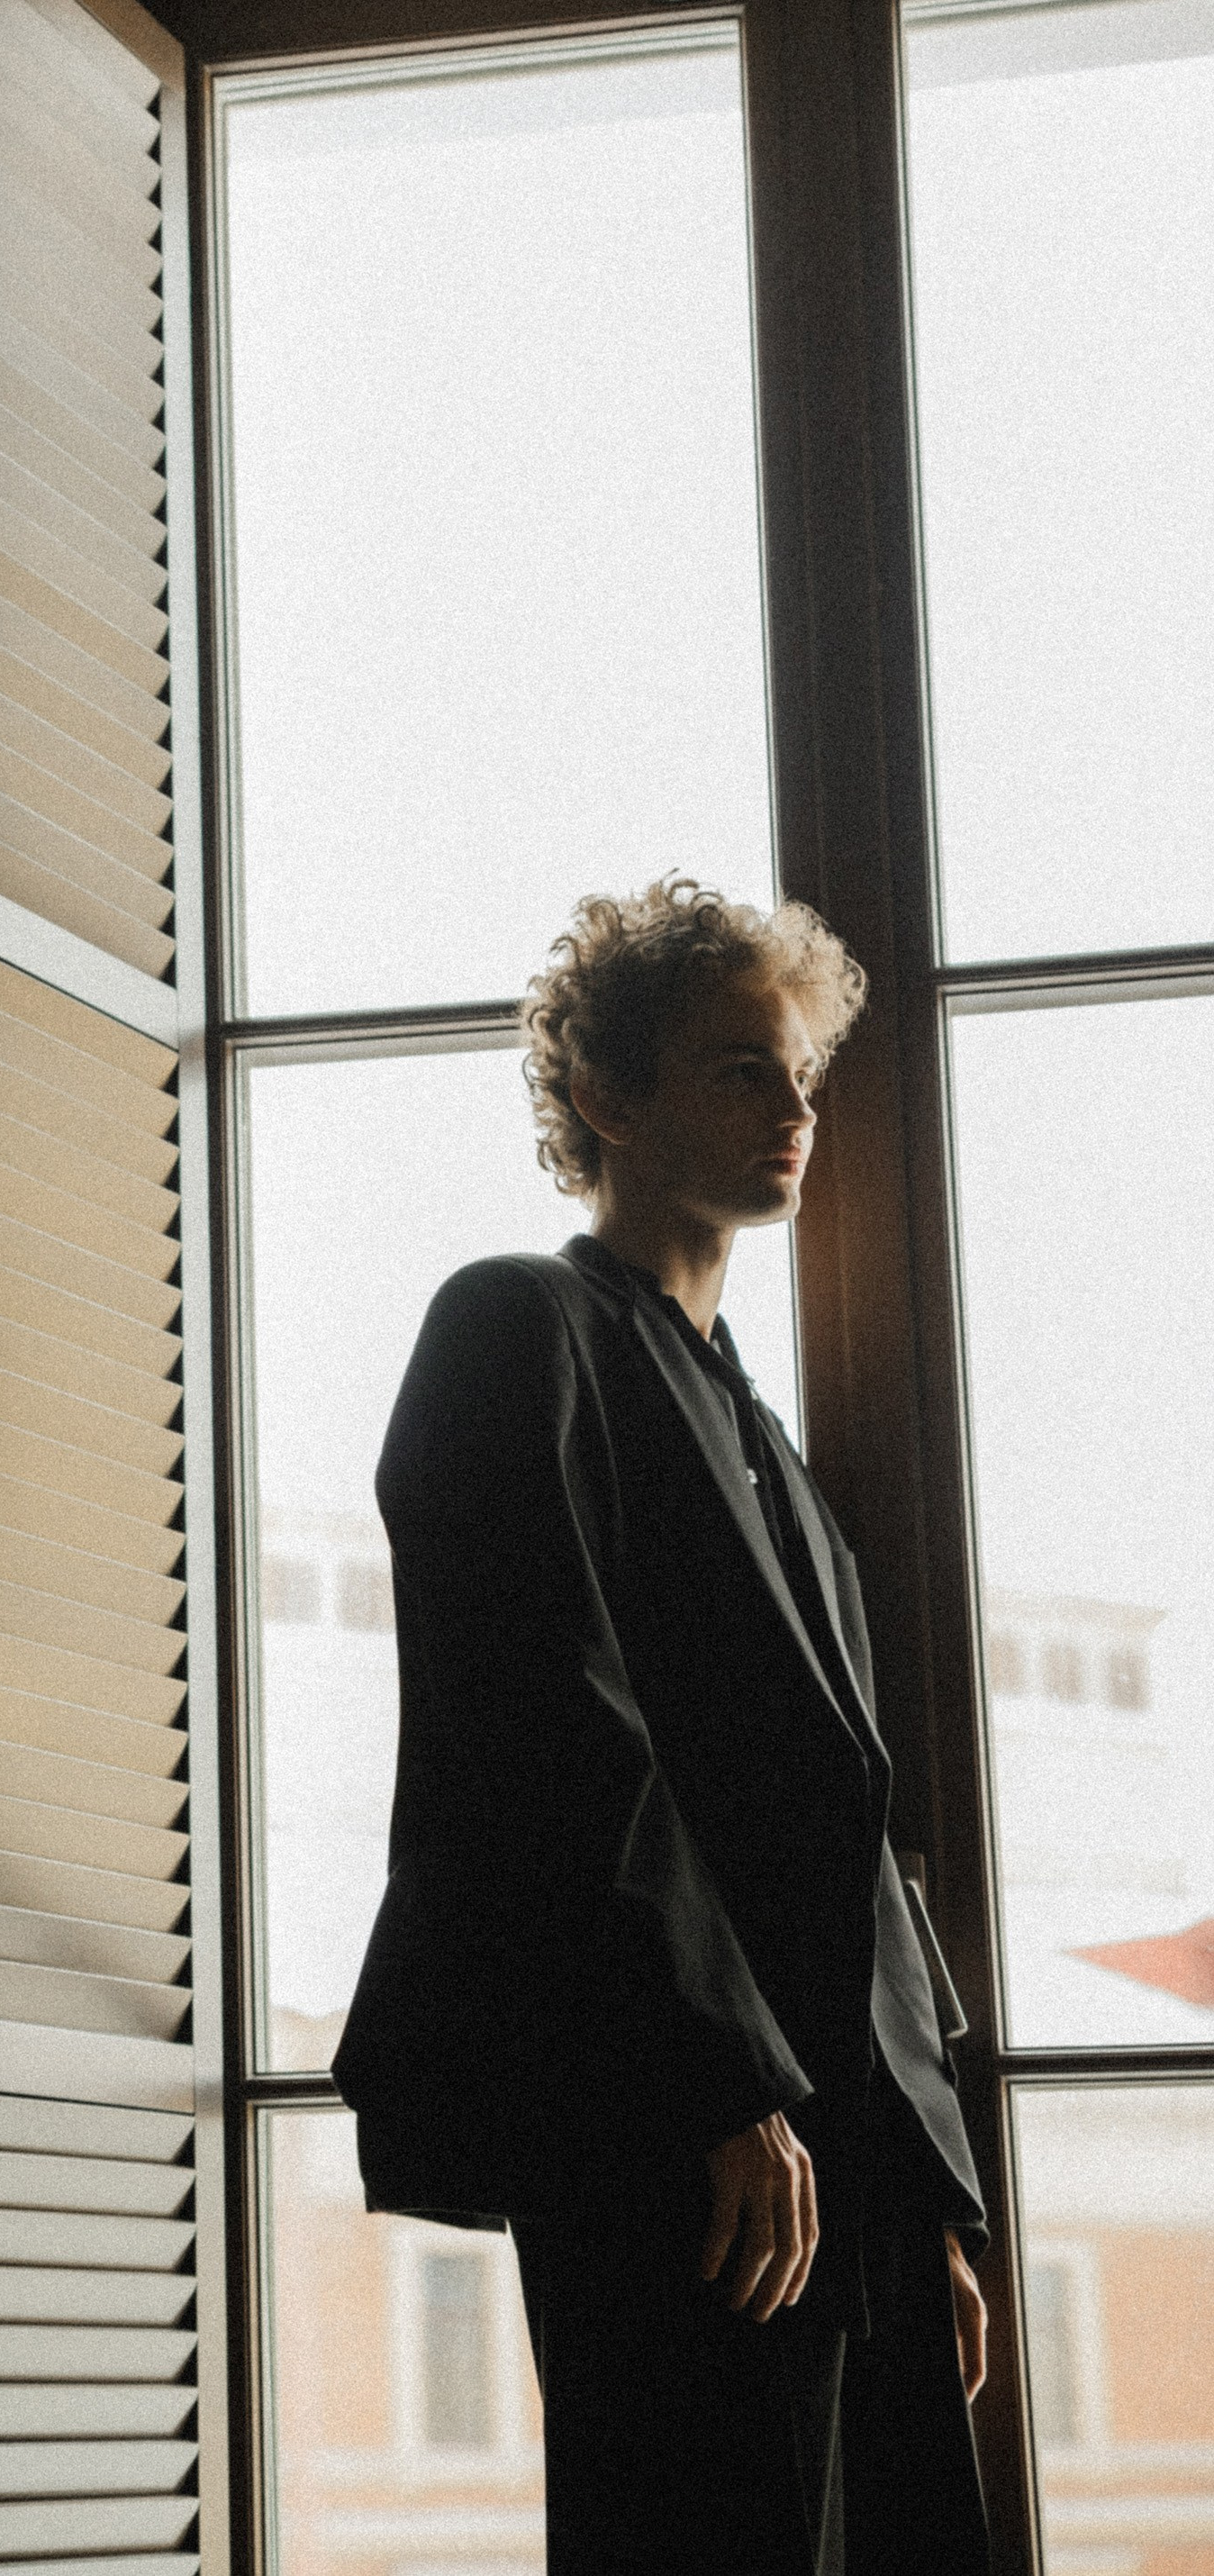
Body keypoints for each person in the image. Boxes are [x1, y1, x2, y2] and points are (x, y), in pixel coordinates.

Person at [331, 878, 992, 2576]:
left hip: (844, 2168)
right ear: (608, 1098)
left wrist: (929, 2195)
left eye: (802, 1079)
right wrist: (718, 2086)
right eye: (738, 1071)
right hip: (678, 2142)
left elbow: (850, 1843)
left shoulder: (770, 1452)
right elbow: (546, 1729)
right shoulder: (518, 1326)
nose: (794, 1111)